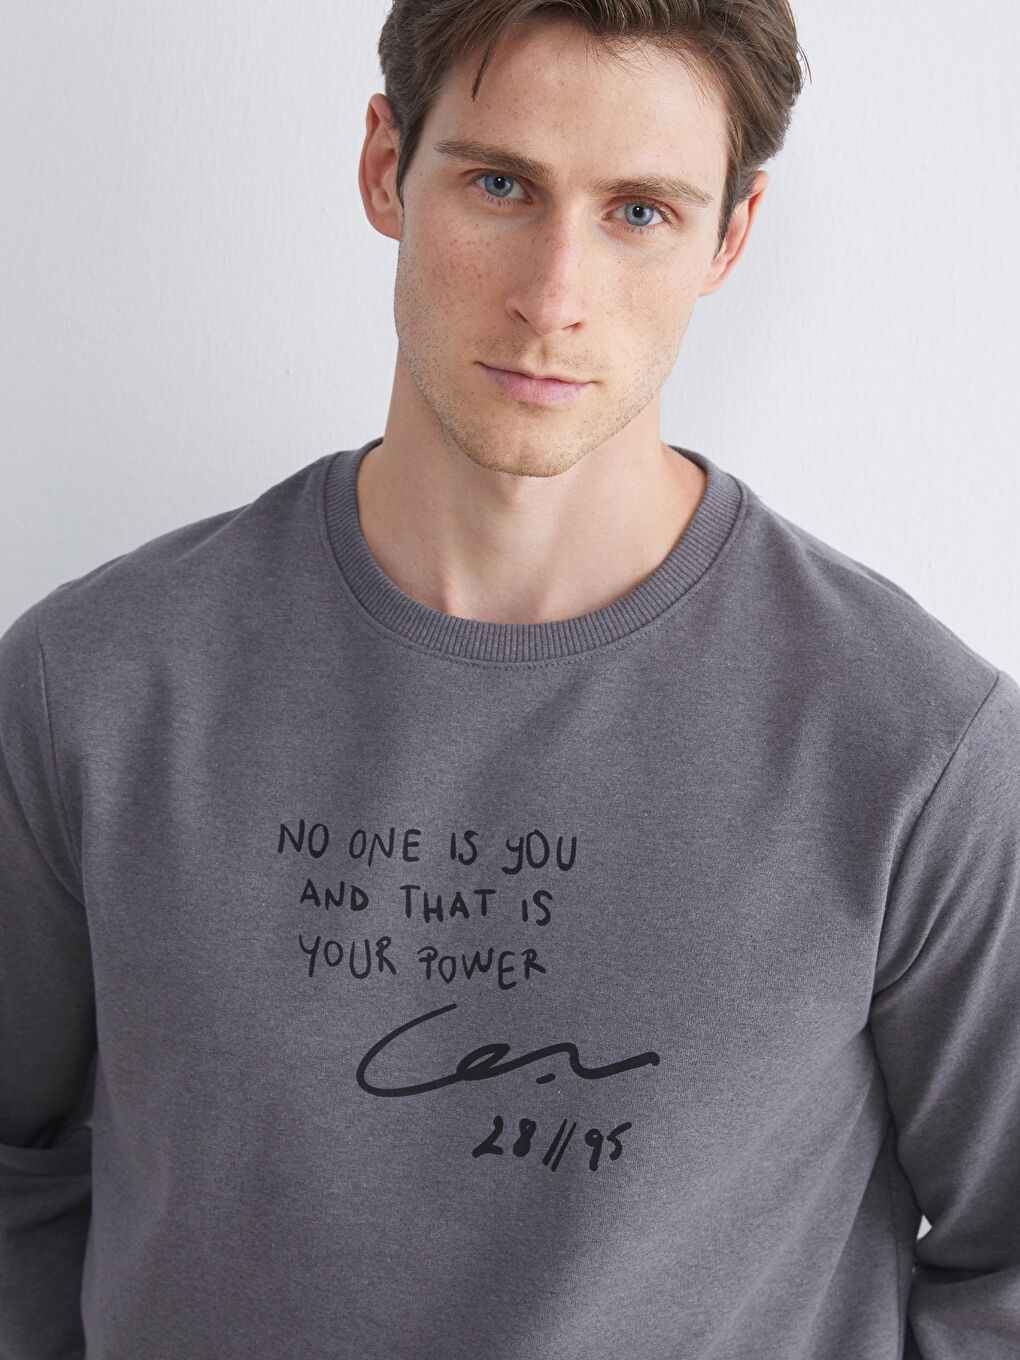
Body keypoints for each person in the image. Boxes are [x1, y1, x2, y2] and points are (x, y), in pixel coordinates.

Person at [1, 1, 1017, 1356]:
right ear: (386, 167)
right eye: (499, 185)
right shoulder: (91, 685)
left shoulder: (918, 747)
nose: (554, 296)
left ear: (731, 237)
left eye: (640, 212)